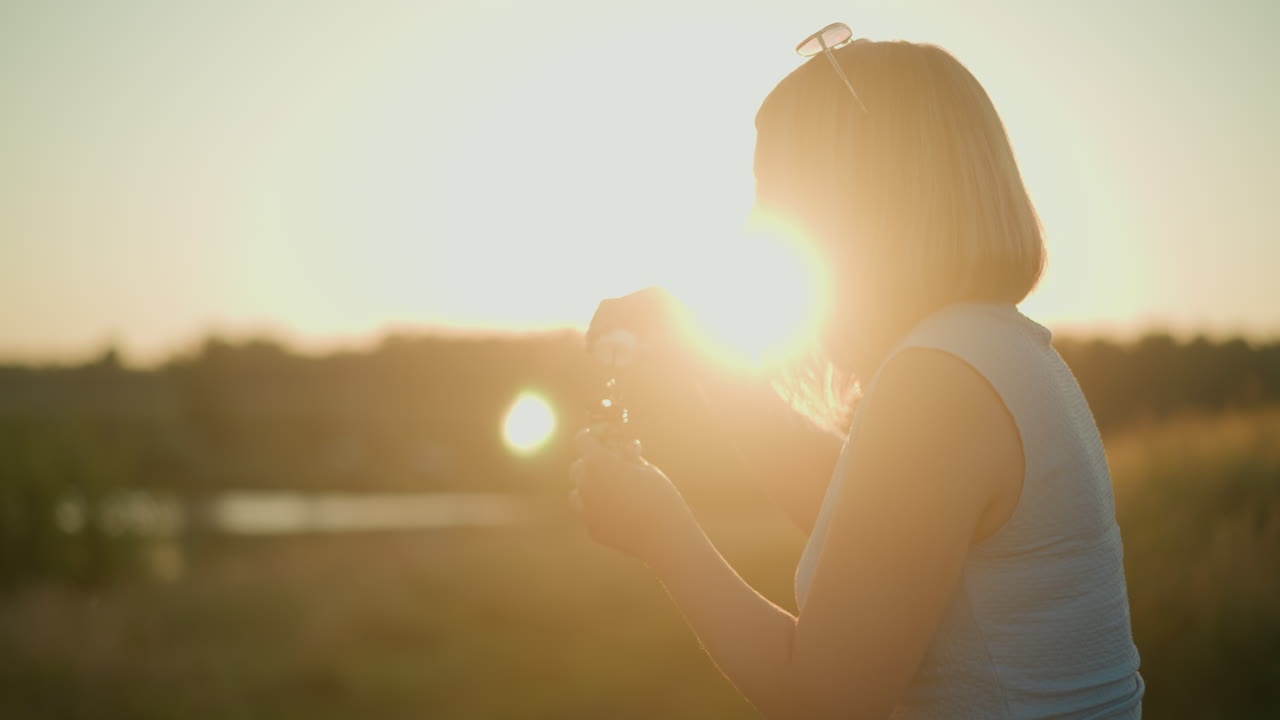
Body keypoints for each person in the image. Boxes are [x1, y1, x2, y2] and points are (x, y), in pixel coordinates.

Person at [569, 25, 1145, 720]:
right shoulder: (993, 351)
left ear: (864, 201)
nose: (751, 229)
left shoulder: (940, 383)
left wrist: (659, 530)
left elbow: (826, 697)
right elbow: (864, 524)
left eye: (773, 192)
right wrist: (704, 357)